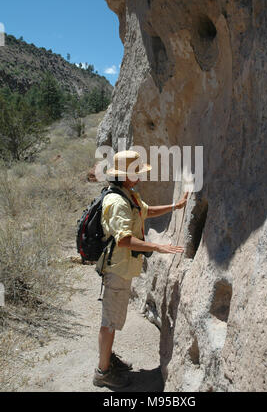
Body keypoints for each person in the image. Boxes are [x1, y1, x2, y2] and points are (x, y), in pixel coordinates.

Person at [93, 150, 188, 388]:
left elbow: (146, 212)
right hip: (117, 270)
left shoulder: (128, 195)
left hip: (124, 268)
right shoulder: (116, 202)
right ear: (124, 175)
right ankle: (103, 372)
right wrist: (156, 246)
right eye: (136, 172)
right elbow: (124, 239)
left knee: (112, 320)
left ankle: (107, 361)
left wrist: (176, 206)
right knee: (110, 322)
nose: (140, 176)